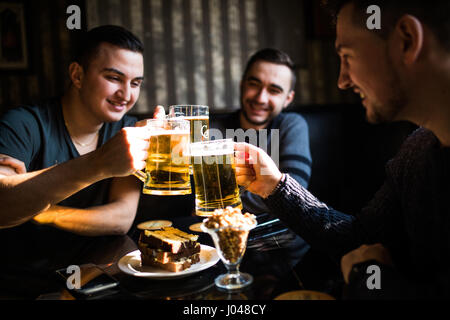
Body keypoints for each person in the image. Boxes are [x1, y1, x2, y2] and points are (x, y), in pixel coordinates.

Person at [235, 0, 450, 299]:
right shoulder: (417, 149)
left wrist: (370, 280)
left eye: (347, 56)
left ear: (407, 40)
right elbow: (357, 237)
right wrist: (274, 186)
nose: (342, 80)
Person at [0, 25, 163, 236]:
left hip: (100, 265)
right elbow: (4, 206)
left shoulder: (127, 129)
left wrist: (41, 210)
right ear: (77, 75)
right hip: (27, 268)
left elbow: (121, 218)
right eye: (114, 78)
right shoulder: (22, 125)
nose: (126, 94)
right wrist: (100, 163)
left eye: (135, 83)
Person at [211, 48, 312, 262]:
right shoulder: (214, 130)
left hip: (287, 255)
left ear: (288, 98)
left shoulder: (291, 125)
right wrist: (271, 194)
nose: (261, 97)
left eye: (274, 90)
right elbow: (204, 197)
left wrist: (223, 204)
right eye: (254, 84)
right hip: (226, 252)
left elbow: (295, 191)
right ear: (242, 84)